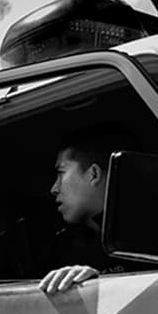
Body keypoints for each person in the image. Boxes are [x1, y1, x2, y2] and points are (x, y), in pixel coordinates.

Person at [38, 125, 138, 295]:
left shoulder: (154, 237)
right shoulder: (62, 249)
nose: (54, 188)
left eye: (61, 173)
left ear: (93, 174)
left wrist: (95, 284)